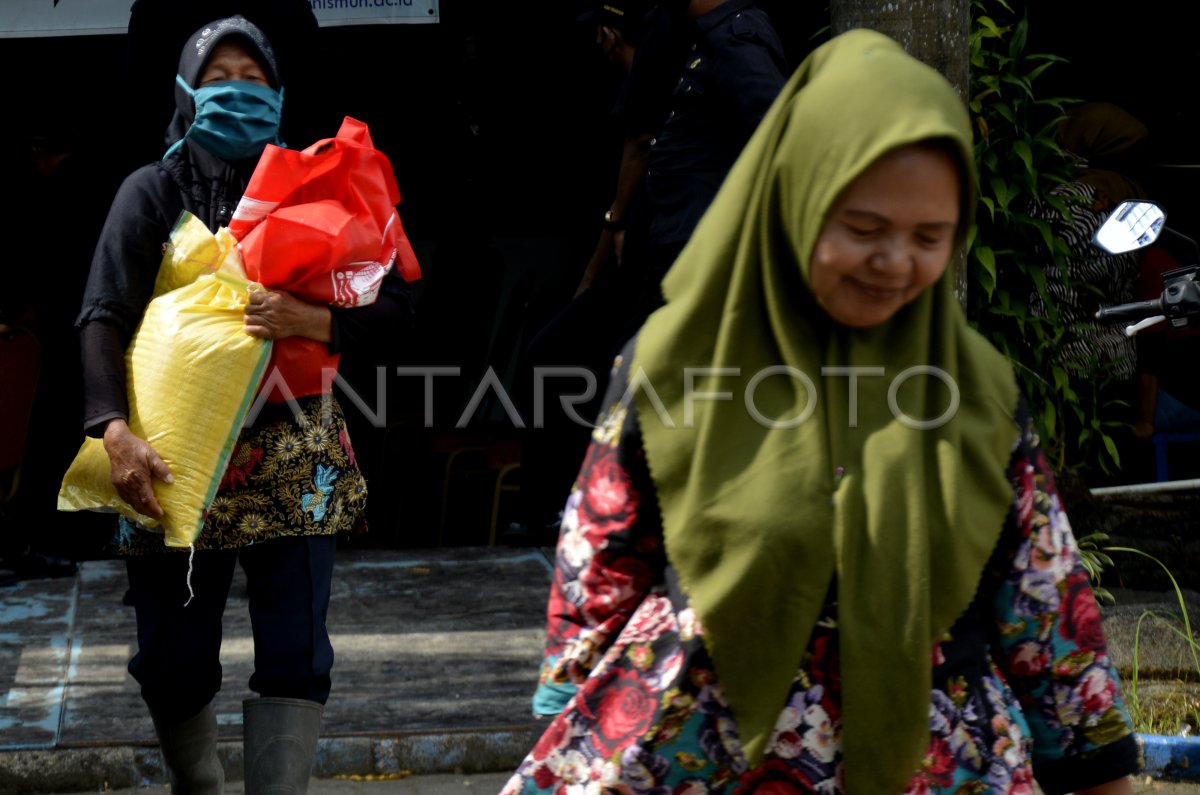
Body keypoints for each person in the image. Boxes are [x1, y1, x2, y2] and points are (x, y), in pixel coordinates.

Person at [503, 29, 1139, 795]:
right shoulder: (678, 364)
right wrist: (569, 713)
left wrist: (1099, 771)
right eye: (864, 228)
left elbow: (1042, 600)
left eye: (929, 236)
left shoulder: (976, 394)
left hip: (929, 760)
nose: (896, 261)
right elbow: (600, 565)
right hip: (700, 746)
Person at [76, 16, 411, 793]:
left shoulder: (321, 189)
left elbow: (403, 312)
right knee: (171, 654)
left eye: (254, 79)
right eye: (220, 76)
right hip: (171, 459)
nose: (238, 91)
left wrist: (315, 319)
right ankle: (199, 782)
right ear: (188, 91)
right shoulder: (149, 193)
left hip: (292, 453)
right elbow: (101, 315)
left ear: (282, 94)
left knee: (297, 652)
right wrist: (112, 430)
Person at [503, 0, 787, 545]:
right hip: (659, 254)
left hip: (695, 260)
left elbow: (779, 143)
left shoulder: (736, 39)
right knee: (596, 373)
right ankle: (581, 516)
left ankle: (623, 522)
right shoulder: (687, 36)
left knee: (640, 391)